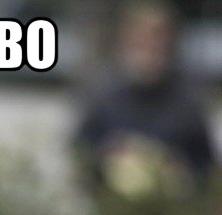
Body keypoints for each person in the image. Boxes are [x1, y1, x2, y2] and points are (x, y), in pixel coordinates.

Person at [74, 2, 216, 192]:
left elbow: (205, 166)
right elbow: (80, 153)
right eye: (143, 39)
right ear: (127, 41)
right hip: (112, 208)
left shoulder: (187, 102)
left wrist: (178, 170)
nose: (150, 48)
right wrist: (107, 157)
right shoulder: (104, 96)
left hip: (171, 210)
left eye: (157, 39)